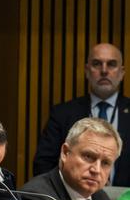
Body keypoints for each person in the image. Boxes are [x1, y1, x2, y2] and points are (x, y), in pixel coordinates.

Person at [33, 43, 130, 186]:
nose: (104, 70)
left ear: (121, 73)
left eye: (111, 64)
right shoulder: (63, 113)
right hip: (74, 199)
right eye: (97, 64)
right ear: (86, 70)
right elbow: (43, 164)